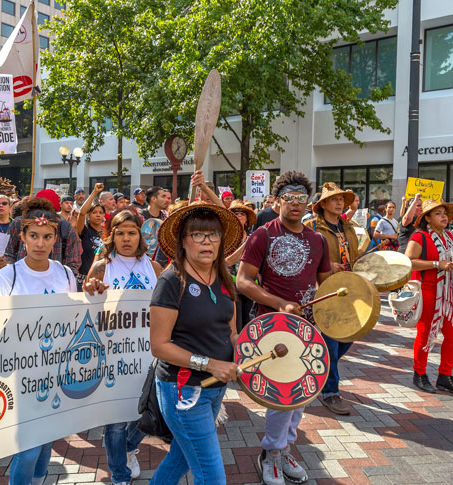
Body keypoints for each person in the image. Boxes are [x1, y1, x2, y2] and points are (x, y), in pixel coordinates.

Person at [237, 171, 331, 485]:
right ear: (277, 201)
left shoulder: (318, 239)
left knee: (302, 395)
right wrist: (280, 303)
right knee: (283, 394)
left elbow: (326, 283)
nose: (294, 203)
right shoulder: (262, 235)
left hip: (307, 329)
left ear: (309, 203)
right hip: (273, 328)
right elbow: (243, 281)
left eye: (301, 198)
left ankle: (283, 448)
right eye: (288, 197)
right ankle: (272, 453)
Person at [0, 198, 77, 484]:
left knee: (46, 440)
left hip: (54, 373)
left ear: (55, 239)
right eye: (33, 236)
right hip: (19, 375)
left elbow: (73, 318)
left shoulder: (66, 274)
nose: (40, 243)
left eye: (47, 236)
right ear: (22, 237)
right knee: (27, 450)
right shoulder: (6, 277)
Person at [149, 202, 243, 485]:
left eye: (213, 235)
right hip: (184, 391)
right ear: (182, 241)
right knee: (211, 476)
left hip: (215, 390)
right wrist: (211, 364)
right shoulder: (171, 281)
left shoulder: (225, 278)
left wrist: (251, 348)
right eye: (198, 235)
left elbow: (231, 331)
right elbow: (159, 345)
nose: (207, 242)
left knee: (179, 461)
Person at [83, 211, 163, 485]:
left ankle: (129, 446)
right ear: (111, 235)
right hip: (112, 354)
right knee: (115, 421)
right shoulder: (102, 266)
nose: (126, 238)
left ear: (141, 235)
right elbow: (86, 309)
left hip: (147, 352)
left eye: (132, 232)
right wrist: (91, 290)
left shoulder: (153, 268)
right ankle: (119, 474)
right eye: (120, 232)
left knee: (153, 407)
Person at [303, 182, 359, 416]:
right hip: (323, 291)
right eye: (334, 199)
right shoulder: (310, 226)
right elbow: (302, 256)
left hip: (348, 289)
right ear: (322, 203)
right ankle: (330, 392)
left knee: (349, 337)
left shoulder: (349, 227)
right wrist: (324, 267)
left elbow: (356, 255)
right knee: (332, 343)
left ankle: (318, 368)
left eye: (342, 200)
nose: (339, 203)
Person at [404, 199, 453, 396]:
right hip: (427, 289)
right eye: (438, 213)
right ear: (428, 219)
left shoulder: (449, 236)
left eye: (445, 213)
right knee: (425, 334)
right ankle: (420, 373)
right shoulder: (420, 237)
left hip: (448, 292)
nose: (444, 216)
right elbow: (408, 262)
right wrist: (435, 264)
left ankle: (445, 375)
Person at [225, 200, 257, 331]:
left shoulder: (253, 237)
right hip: (231, 286)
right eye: (235, 213)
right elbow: (226, 262)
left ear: (247, 219)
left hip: (250, 285)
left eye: (242, 213)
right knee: (236, 325)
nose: (239, 215)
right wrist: (246, 245)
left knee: (249, 323)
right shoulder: (226, 237)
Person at [76, 183, 107, 290]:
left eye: (101, 212)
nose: (98, 215)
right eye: (94, 212)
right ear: (89, 216)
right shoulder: (84, 231)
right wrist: (95, 192)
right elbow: (81, 213)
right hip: (84, 280)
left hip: (103, 280)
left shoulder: (108, 233)